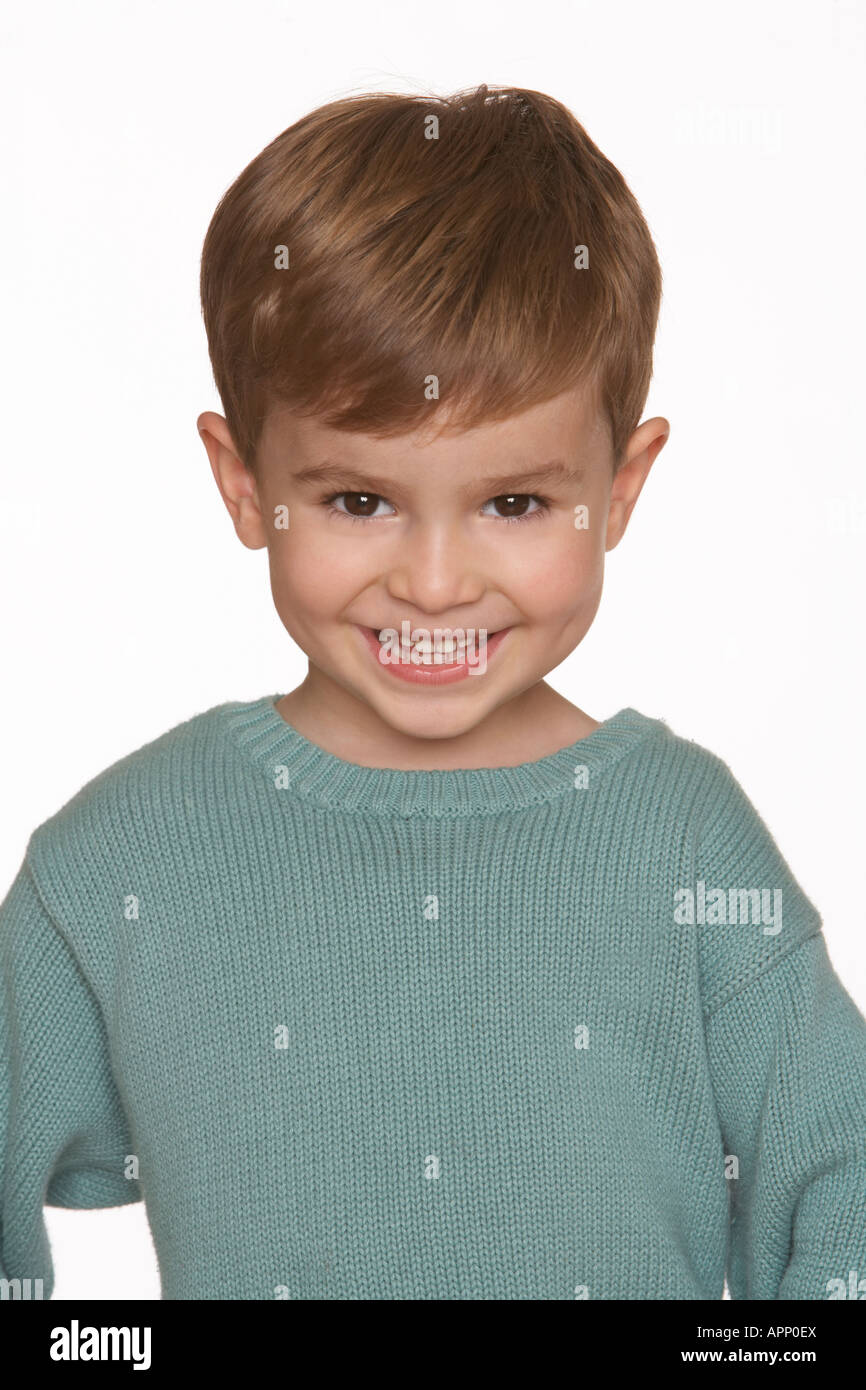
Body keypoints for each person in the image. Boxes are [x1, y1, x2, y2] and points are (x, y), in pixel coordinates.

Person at [1, 84, 864, 1301]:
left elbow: (843, 1185)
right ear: (244, 484)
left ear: (619, 487)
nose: (435, 581)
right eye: (360, 500)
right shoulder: (122, 863)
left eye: (512, 502)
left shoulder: (683, 840)